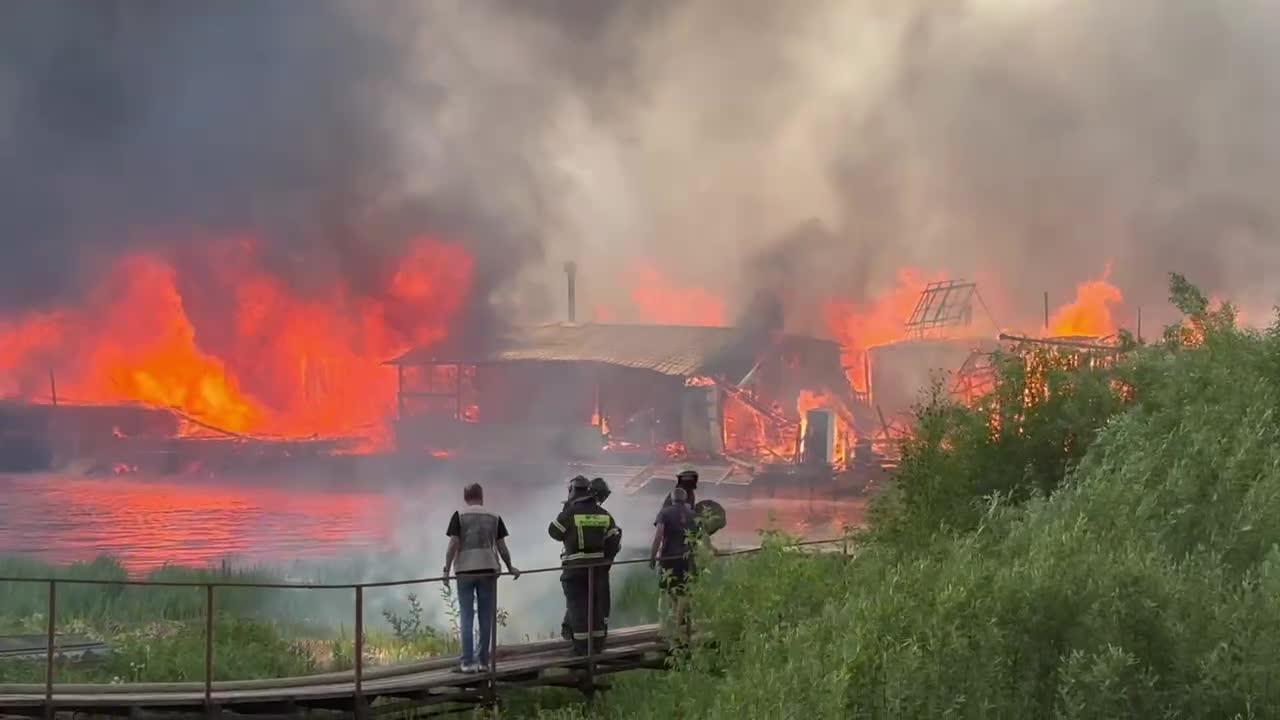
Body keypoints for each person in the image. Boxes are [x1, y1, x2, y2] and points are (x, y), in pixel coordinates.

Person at [443, 483, 520, 674]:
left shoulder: (459, 516)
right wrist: (510, 567)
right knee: (486, 616)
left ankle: (467, 663)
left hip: (465, 570)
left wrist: (446, 570)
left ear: (465, 497)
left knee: (467, 616)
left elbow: (453, 544)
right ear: (482, 496)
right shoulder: (494, 517)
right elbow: (502, 547)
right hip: (488, 569)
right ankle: (484, 662)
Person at [549, 475, 621, 655]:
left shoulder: (569, 513)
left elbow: (554, 532)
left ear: (572, 491)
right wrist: (607, 560)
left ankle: (581, 649)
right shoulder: (604, 514)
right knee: (596, 605)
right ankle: (597, 645)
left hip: (574, 569)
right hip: (598, 568)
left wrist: (567, 510)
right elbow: (614, 538)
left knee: (578, 606)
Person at [651, 486, 697, 642]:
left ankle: (664, 629)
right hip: (686, 558)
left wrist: (652, 556)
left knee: (666, 591)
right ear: (685, 499)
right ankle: (678, 628)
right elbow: (696, 537)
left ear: (671, 499)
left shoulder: (665, 513)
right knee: (683, 592)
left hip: (668, 558)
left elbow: (659, 536)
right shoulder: (692, 515)